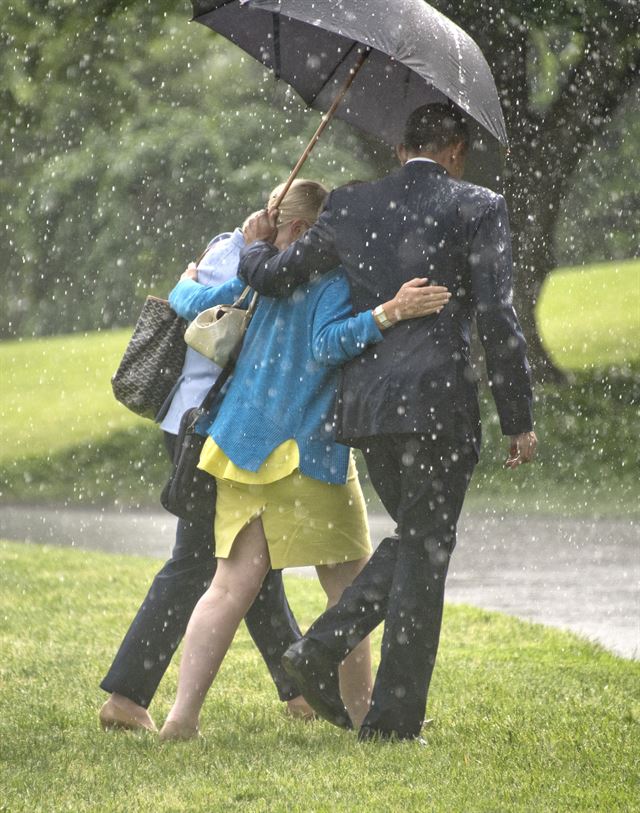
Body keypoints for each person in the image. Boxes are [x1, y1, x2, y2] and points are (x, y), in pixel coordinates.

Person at [239, 103, 538, 742]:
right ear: (456, 149)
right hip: (438, 406)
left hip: (370, 409)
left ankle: (327, 657)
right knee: (425, 551)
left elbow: (277, 276)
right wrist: (518, 415)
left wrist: (256, 245)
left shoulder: (348, 205)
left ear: (402, 148)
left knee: (417, 542)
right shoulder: (478, 205)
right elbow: (497, 316)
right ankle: (378, 708)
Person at [157, 179, 452, 740]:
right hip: (305, 456)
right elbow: (326, 345)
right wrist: (388, 313)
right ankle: (366, 715)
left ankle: (181, 718)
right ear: (304, 231)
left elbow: (193, 304)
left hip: (238, 445)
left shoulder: (255, 272)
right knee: (347, 591)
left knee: (227, 588)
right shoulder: (329, 278)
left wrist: (189, 278)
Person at [99, 223, 310, 734]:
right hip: (203, 429)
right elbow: (204, 300)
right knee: (197, 562)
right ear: (292, 226)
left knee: (252, 562)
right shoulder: (242, 259)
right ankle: (127, 697)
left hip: (205, 425)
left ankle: (302, 690)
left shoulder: (237, 251)